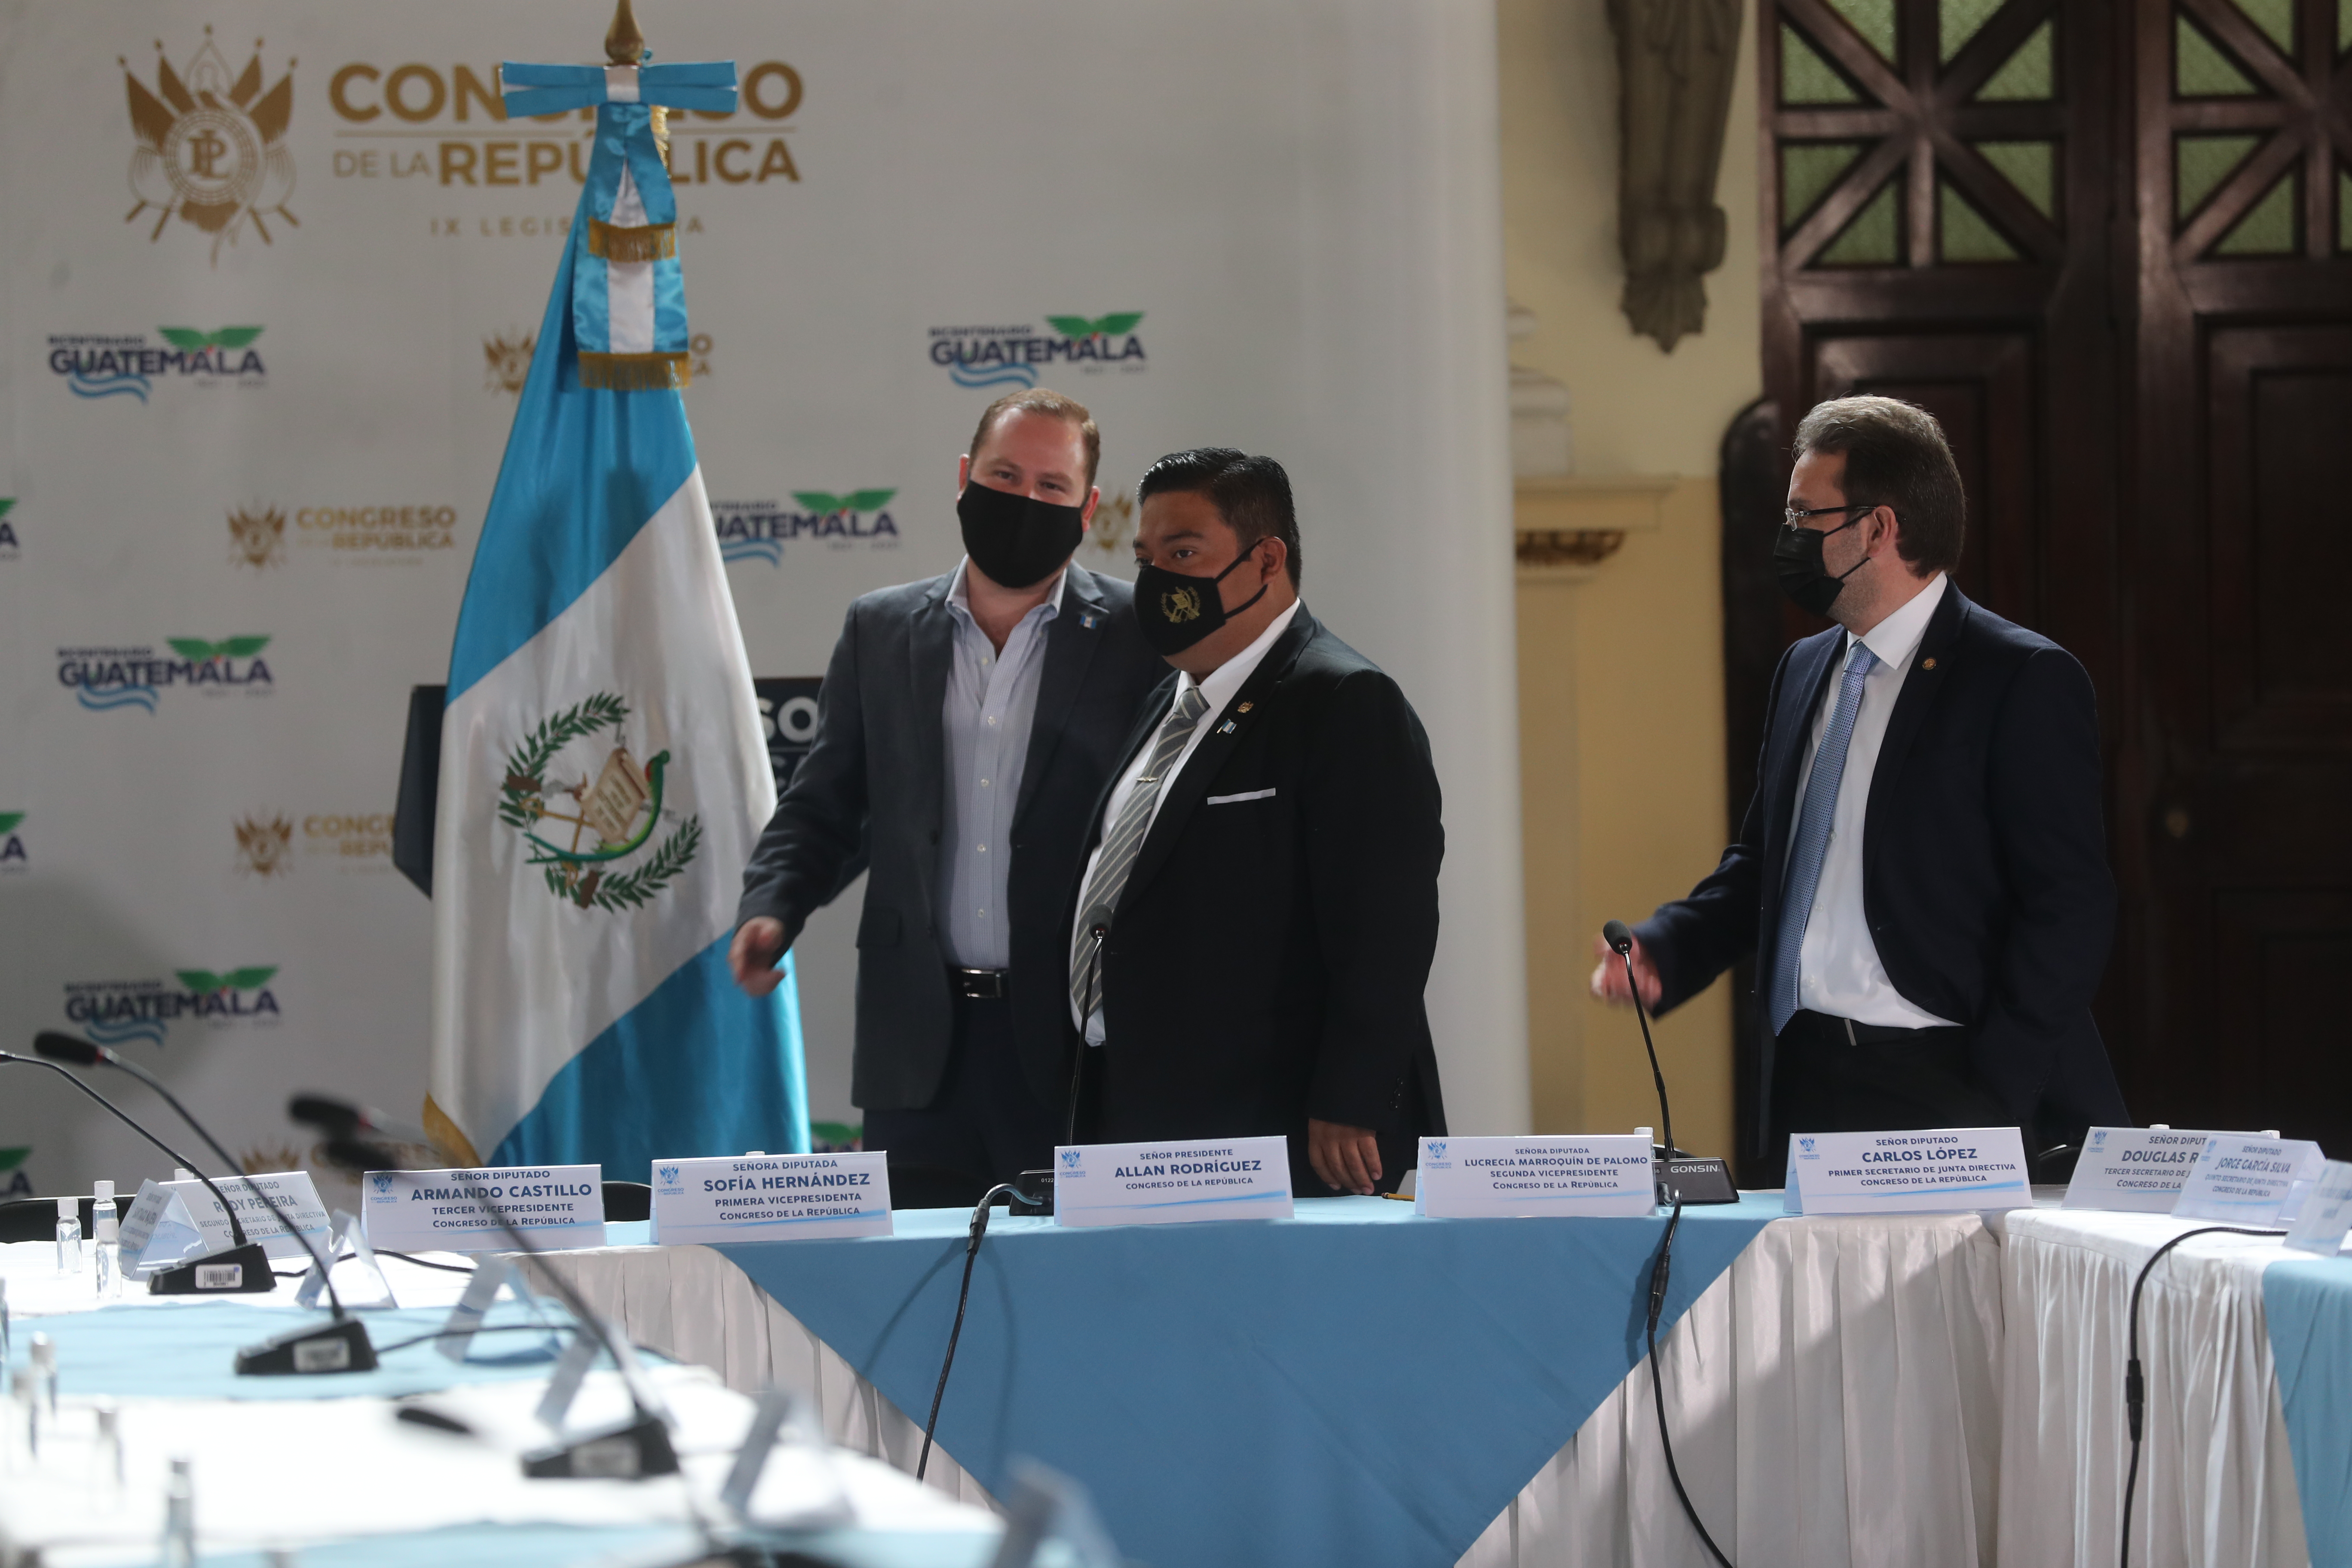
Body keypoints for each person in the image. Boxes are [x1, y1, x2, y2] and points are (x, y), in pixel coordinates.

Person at [1591, 395, 2126, 1176]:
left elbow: (2070, 906)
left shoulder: (2020, 677)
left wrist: (1996, 1086)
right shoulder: (1806, 667)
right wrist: (1668, 945)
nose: (1787, 538)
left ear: (1878, 528)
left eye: (1805, 516)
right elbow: (1767, 863)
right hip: (1805, 1076)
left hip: (1948, 1081)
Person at [732, 389, 1167, 1190]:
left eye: (1050, 486)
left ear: (1089, 507)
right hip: (918, 1047)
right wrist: (773, 906)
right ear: (965, 476)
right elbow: (827, 800)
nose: (1024, 500)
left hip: (1077, 1044)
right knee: (925, 1301)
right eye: (1005, 475)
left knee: (1070, 1297)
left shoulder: (1141, 637)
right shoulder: (881, 629)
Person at [1065, 448, 1446, 1197]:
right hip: (1137, 1116)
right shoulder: (1169, 704)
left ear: (1266, 559)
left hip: (1281, 1133)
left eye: (1183, 553)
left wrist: (1351, 1098)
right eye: (1146, 557)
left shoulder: (1345, 701)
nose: (1157, 580)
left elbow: (1388, 927)